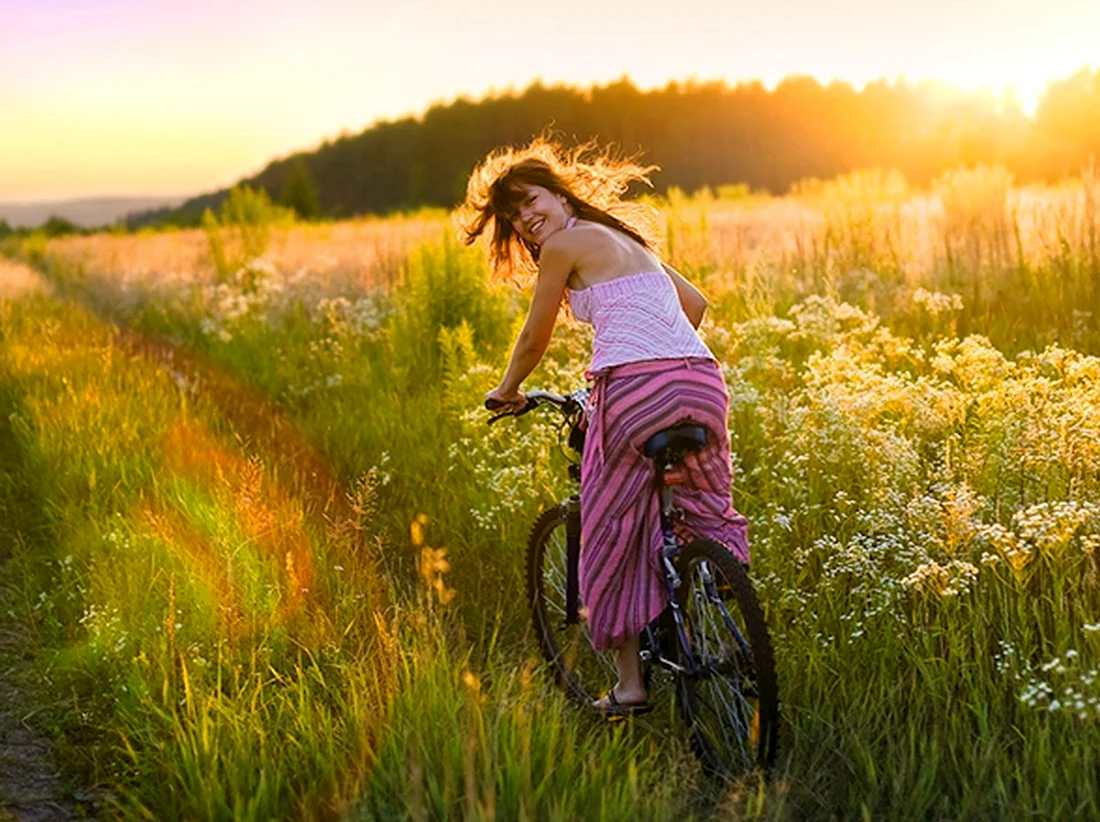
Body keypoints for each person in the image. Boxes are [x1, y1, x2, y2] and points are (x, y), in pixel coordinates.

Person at [460, 137, 750, 715]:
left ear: (558, 193)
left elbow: (535, 335)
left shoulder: (563, 246)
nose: (526, 219)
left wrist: (507, 389)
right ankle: (718, 584)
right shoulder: (630, 242)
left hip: (635, 392)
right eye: (514, 216)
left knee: (610, 528)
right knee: (701, 504)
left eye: (529, 201)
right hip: (700, 381)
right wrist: (650, 342)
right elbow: (694, 304)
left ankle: (630, 686)